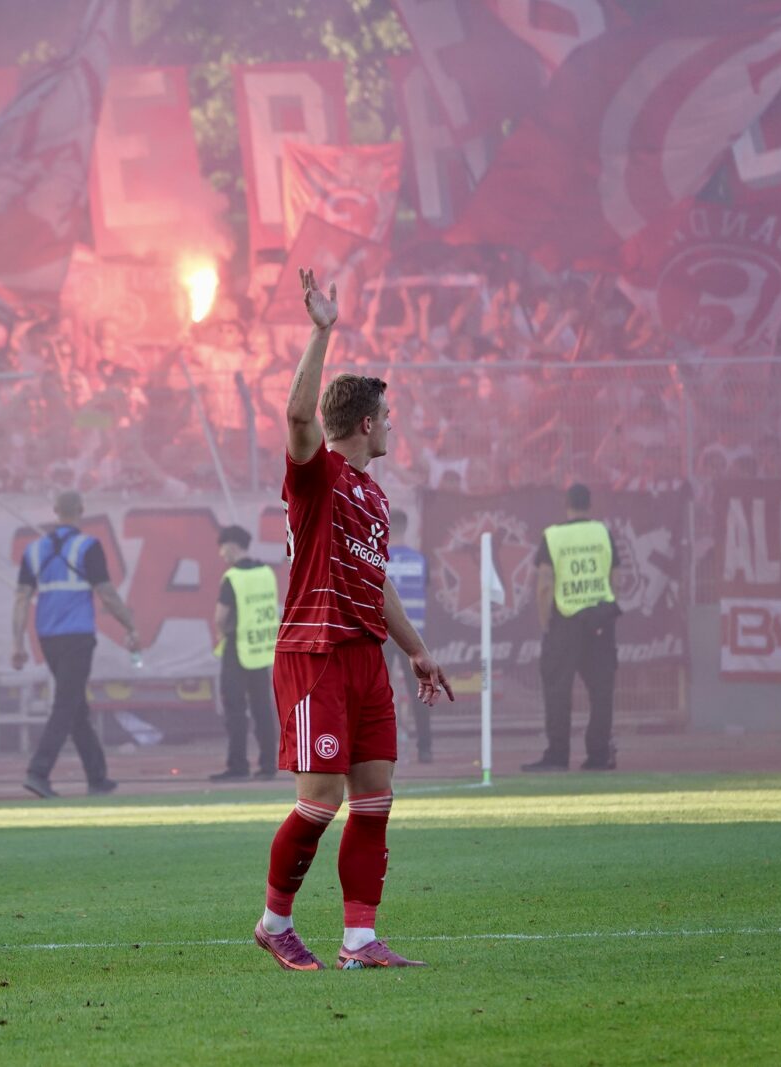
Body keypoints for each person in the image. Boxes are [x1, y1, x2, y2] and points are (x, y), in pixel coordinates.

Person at [255, 270, 452, 972]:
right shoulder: (319, 475)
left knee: (374, 799)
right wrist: (322, 331)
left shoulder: (372, 495)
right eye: (388, 417)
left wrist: (417, 650)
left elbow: (377, 583)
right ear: (367, 423)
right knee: (319, 801)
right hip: (316, 652)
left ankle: (360, 941)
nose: (393, 426)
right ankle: (274, 923)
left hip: (367, 656)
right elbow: (297, 417)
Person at [12, 490, 140, 798]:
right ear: (81, 510)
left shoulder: (34, 550)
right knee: (66, 704)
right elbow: (107, 594)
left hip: (47, 637)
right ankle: (38, 772)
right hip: (77, 636)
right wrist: (131, 626)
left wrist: (17, 644)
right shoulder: (87, 547)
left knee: (76, 707)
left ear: (55, 510)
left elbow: (21, 599)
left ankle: (97, 777)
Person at [522, 484, 622, 773]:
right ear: (590, 504)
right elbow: (616, 577)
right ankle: (599, 755)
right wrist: (606, 610)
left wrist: (546, 623)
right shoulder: (602, 533)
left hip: (564, 621)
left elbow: (545, 584)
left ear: (567, 505)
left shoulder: (554, 536)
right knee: (601, 690)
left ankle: (557, 755)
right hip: (600, 619)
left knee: (557, 689)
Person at [209, 525, 279, 782]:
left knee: (235, 709)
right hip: (261, 649)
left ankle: (238, 765)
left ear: (231, 545)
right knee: (263, 708)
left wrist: (221, 633)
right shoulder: (266, 573)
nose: (221, 554)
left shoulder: (233, 577)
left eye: (222, 548)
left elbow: (220, 617)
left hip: (237, 648)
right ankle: (268, 764)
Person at [384, 508, 433, 764]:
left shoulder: (377, 560)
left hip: (384, 635)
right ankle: (425, 748)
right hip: (414, 636)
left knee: (378, 693)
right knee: (421, 691)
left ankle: (380, 749)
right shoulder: (420, 560)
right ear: (407, 528)